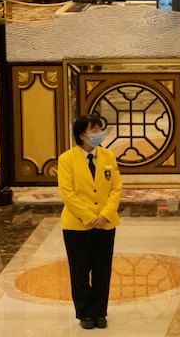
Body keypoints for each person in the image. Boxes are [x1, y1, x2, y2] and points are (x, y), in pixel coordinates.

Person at [57, 114, 122, 330]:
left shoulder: (109, 156)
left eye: (99, 129)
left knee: (103, 269)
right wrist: (88, 217)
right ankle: (85, 312)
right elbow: (68, 193)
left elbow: (116, 188)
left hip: (105, 223)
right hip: (77, 225)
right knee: (80, 270)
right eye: (93, 130)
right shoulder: (66, 159)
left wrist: (104, 214)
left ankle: (100, 312)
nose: (98, 134)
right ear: (82, 134)